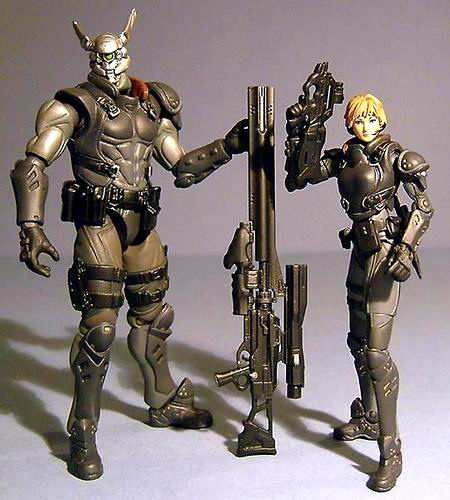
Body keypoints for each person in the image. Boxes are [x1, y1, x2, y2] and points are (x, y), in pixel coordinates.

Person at [10, 9, 247, 481]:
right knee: (99, 329)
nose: (111, 62)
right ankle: (82, 430)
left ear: (127, 50)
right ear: (90, 57)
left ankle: (162, 399)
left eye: (117, 53)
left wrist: (228, 145)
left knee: (154, 317)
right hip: (99, 222)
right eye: (102, 56)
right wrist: (30, 226)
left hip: (142, 223)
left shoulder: (152, 104)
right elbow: (32, 163)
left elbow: (181, 167)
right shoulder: (74, 104)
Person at [285, 92, 433, 492]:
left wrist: (406, 248)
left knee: (376, 355)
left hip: (385, 254)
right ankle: (369, 417)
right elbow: (300, 177)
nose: (365, 125)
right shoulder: (344, 157)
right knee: (357, 342)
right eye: (358, 119)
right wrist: (305, 130)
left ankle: (391, 449)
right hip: (360, 252)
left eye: (371, 118)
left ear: (381, 120)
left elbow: (423, 206)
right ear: (350, 122)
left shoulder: (395, 157)